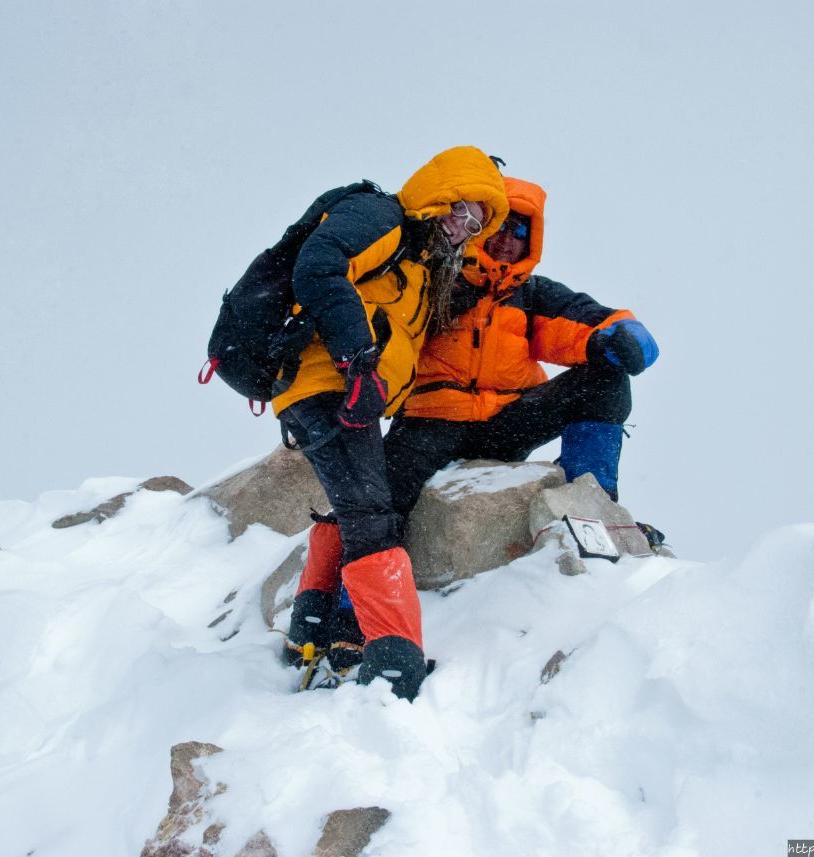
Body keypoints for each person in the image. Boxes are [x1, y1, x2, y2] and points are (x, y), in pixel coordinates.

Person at [276, 146, 508, 700]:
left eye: (476, 223)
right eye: (460, 210)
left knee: (359, 509)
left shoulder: (422, 269)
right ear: (436, 196)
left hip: (346, 394)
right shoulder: (385, 220)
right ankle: (393, 665)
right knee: (373, 518)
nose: (463, 228)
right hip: (327, 386)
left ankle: (310, 629)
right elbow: (320, 267)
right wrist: (358, 361)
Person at [383, 175, 659, 532]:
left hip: (507, 422)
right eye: (499, 225)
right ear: (479, 225)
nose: (506, 240)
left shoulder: (532, 295)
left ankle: (592, 509)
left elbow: (598, 322)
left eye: (520, 232)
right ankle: (358, 583)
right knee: (379, 499)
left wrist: (629, 339)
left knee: (606, 378)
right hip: (431, 419)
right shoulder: (434, 278)